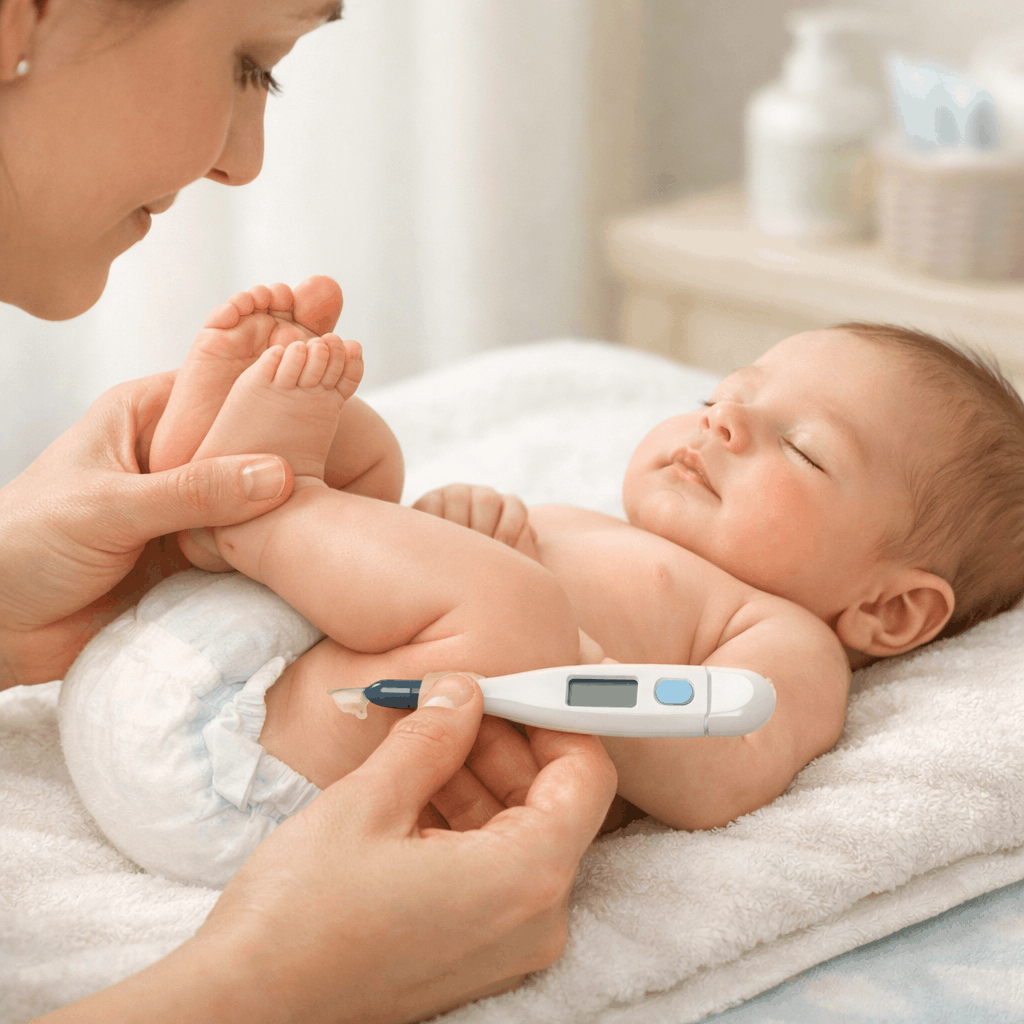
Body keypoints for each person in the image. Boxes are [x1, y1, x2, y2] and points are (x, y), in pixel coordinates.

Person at [0, 1, 618, 1020]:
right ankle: (266, 507)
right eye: (250, 66)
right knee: (499, 609)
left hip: (199, 666)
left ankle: (261, 503)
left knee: (356, 499)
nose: (242, 165)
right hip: (233, 741)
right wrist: (276, 984)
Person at [57, 279, 1024, 890]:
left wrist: (561, 651)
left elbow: (712, 779)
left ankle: (243, 505)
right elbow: (419, 600)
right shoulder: (596, 527)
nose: (721, 423)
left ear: (891, 609)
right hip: (202, 656)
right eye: (721, 399)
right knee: (379, 467)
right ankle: (233, 481)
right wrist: (454, 527)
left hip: (269, 782)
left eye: (803, 449)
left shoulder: (788, 643)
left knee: (512, 610)